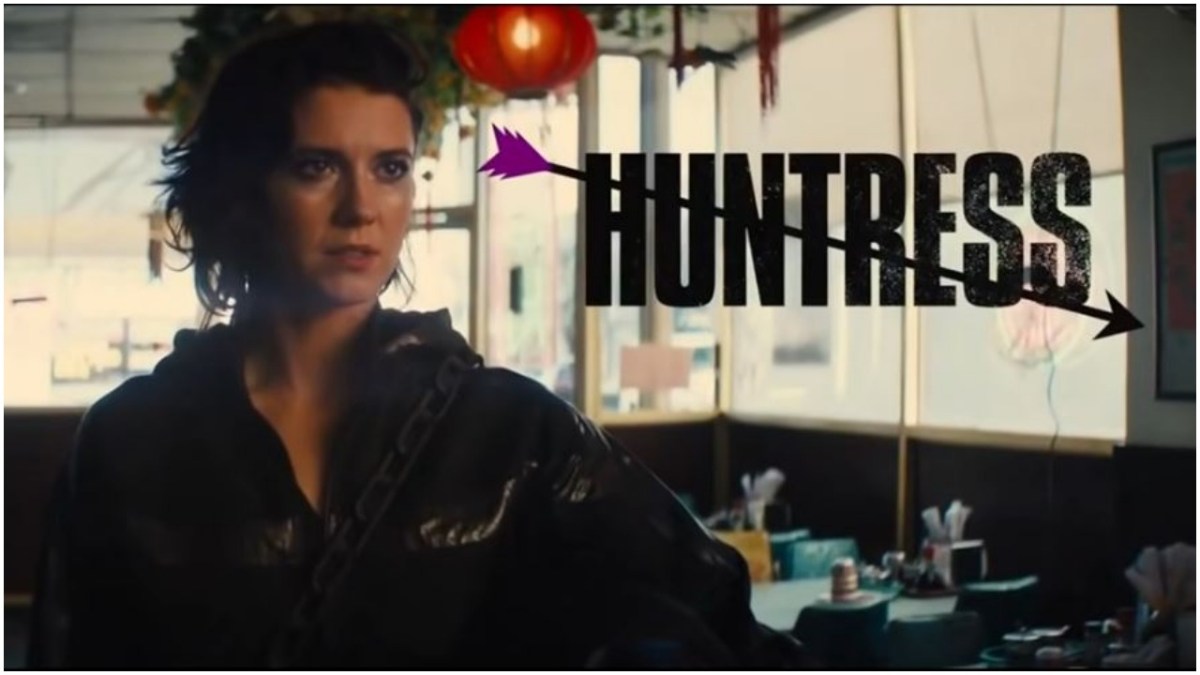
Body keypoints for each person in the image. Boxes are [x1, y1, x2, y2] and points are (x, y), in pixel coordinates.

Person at [27, 21, 806, 669]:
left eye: (390, 168)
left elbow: (716, 613)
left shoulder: (511, 430)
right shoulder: (130, 440)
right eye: (316, 166)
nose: (361, 207)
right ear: (242, 190)